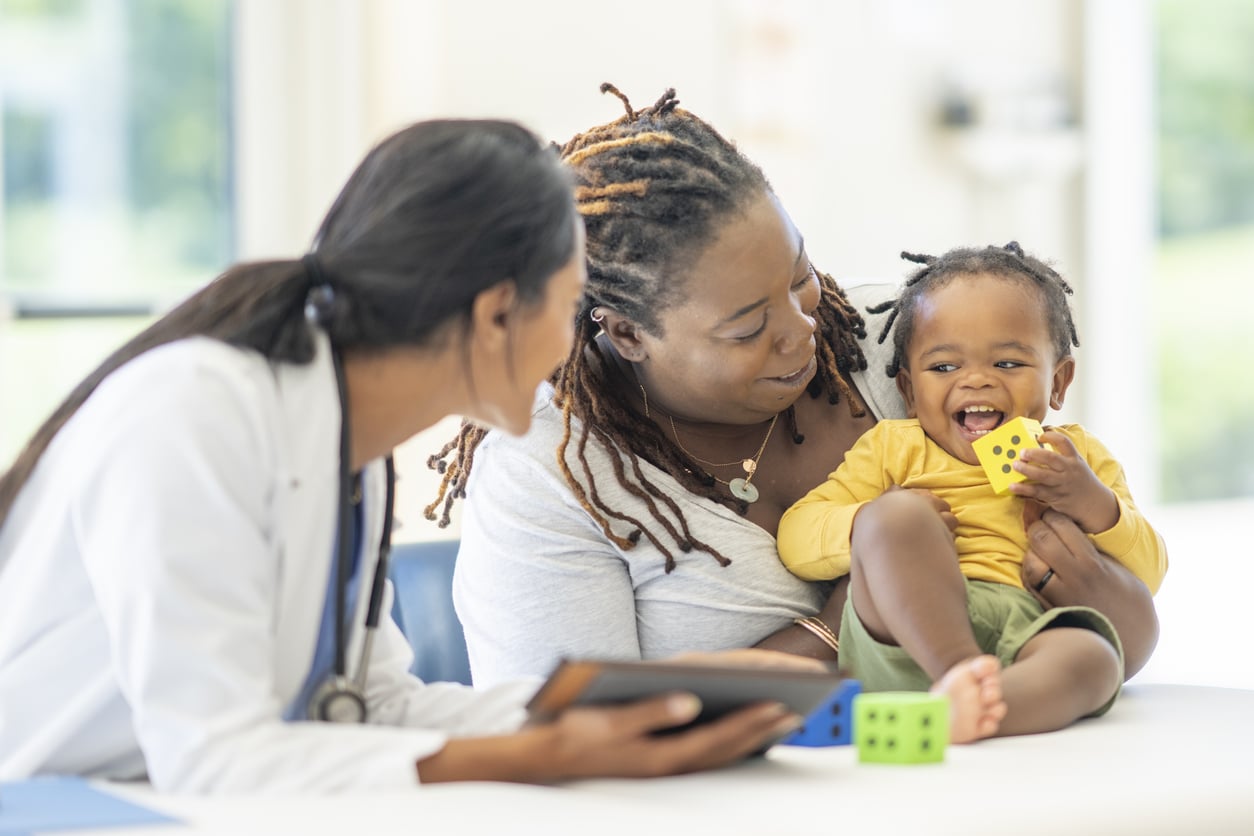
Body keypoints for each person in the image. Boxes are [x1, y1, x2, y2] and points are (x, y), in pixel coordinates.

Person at [0, 119, 812, 794]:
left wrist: (622, 709)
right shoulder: (194, 413)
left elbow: (369, 707)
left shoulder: (347, 447)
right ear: (498, 314)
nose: (574, 349)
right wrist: (536, 755)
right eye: (570, 310)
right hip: (63, 808)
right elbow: (212, 757)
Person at [438, 85, 1162, 692]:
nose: (801, 334)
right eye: (749, 327)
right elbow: (573, 735)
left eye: (800, 278)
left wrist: (1101, 589)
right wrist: (832, 628)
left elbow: (1116, 620)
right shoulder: (550, 474)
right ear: (627, 334)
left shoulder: (911, 349)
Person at [776, 242, 1168, 742]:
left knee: (1093, 656)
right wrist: (868, 522)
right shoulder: (895, 447)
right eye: (944, 368)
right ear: (909, 392)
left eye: (1007, 364)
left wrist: (1092, 502)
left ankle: (982, 713)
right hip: (904, 633)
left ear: (1058, 382)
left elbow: (1149, 572)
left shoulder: (1075, 456)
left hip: (1026, 632)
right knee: (896, 518)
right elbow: (797, 537)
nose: (976, 381)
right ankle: (959, 673)